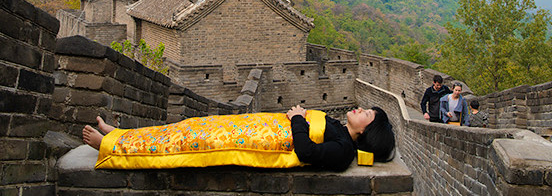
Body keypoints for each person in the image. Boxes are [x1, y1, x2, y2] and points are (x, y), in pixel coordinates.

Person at [83, 105, 395, 172]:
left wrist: (298, 118)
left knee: (184, 143)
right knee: (188, 127)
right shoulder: (340, 129)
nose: (359, 108)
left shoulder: (342, 151)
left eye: (366, 113)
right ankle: (121, 135)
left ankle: (109, 147)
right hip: (249, 128)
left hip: (246, 142)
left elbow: (306, 152)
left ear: (366, 131)